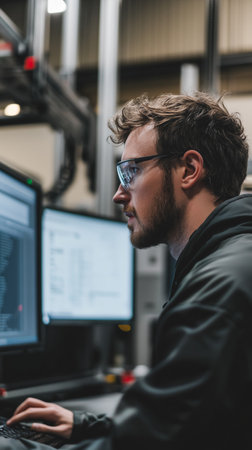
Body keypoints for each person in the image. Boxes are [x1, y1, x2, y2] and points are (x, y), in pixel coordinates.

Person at [1, 91, 252, 450]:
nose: (119, 194)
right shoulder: (234, 263)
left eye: (131, 171)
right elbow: (200, 425)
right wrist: (89, 425)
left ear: (189, 170)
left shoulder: (217, 291)